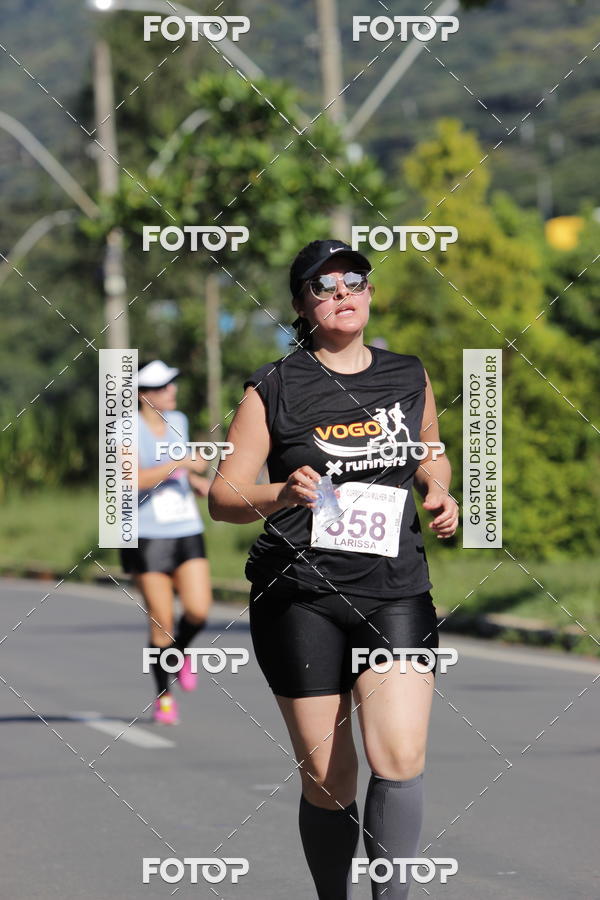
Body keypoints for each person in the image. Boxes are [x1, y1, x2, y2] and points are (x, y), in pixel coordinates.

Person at [208, 239, 458, 898]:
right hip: (301, 597)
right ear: (302, 305)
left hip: (394, 589)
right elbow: (224, 497)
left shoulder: (408, 375)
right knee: (329, 780)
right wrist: (281, 493)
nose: (344, 293)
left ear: (370, 294)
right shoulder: (274, 386)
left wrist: (437, 486)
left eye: (355, 280)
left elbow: (430, 450)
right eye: (325, 286)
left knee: (399, 756)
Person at [120, 360, 213, 725]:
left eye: (173, 384)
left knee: (199, 610)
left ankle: (179, 654)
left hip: (186, 527)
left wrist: (197, 483)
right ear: (144, 395)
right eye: (163, 387)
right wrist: (182, 465)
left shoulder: (181, 421)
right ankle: (163, 697)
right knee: (162, 621)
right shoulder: (125, 430)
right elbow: (131, 481)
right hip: (146, 535)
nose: (172, 391)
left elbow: (185, 470)